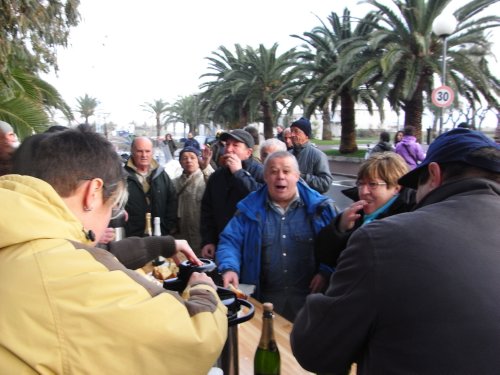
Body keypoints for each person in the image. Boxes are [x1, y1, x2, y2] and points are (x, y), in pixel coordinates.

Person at [0, 125, 228, 373]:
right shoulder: (62, 273)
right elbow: (196, 338)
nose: (110, 216)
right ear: (93, 192)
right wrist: (203, 287)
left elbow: (100, 254)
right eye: (113, 206)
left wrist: (165, 243)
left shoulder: (18, 232)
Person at [291, 128, 500, 374]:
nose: (364, 191)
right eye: (361, 184)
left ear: (433, 174)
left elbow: (316, 349)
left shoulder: (383, 239)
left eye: (418, 183)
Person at [216, 151, 337, 322]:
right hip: (264, 299)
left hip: (309, 301)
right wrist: (229, 267)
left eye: (286, 171)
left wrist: (326, 271)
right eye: (273, 171)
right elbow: (230, 241)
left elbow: (337, 245)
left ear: (297, 176)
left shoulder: (321, 209)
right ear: (265, 177)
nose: (280, 177)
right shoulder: (249, 209)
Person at [315, 152, 415, 268]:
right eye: (361, 184)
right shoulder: (355, 214)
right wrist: (340, 228)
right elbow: (325, 257)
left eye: (373, 184)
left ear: (396, 188)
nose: (363, 192)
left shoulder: (407, 222)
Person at [200, 129, 264, 259]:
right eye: (227, 144)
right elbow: (207, 211)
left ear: (248, 152)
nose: (229, 149)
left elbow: (260, 201)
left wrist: (239, 174)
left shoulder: (261, 173)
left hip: (252, 247)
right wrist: (208, 240)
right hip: (223, 246)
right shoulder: (217, 176)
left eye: (235, 145)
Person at [124, 137, 177, 237]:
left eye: (147, 151)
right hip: (133, 237)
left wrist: (168, 226)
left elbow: (172, 199)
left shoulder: (161, 174)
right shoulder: (122, 176)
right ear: (132, 151)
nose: (144, 155)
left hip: (160, 234)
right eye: (140, 151)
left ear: (152, 152)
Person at [173, 146, 215, 255]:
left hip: (201, 237)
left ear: (198, 160)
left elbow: (216, 185)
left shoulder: (206, 178)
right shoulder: (174, 183)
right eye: (185, 158)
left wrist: (206, 166)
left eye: (192, 157)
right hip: (181, 236)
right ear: (180, 162)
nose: (189, 161)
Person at [290, 117, 333, 194]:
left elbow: (325, 184)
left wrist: (300, 176)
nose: (292, 135)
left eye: (296, 131)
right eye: (291, 131)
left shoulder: (318, 155)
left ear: (306, 135)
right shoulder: (288, 155)